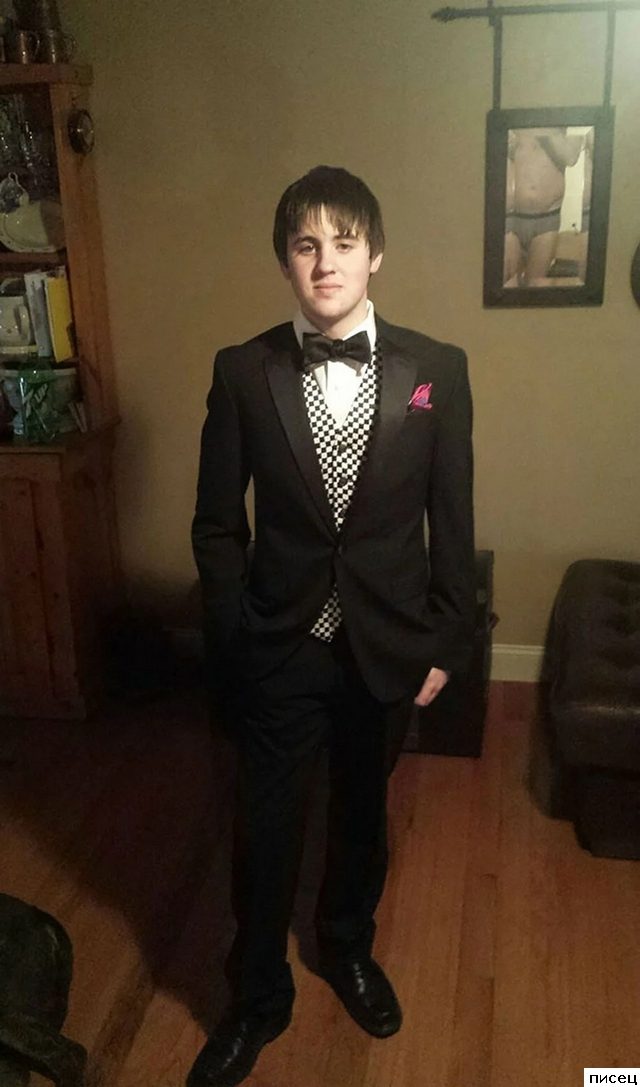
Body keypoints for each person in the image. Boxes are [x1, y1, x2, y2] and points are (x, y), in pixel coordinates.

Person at [189, 165, 475, 1087]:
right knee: (264, 829)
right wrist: (235, 636)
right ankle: (255, 996)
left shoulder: (437, 371)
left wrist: (445, 642)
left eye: (343, 243)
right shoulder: (244, 370)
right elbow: (217, 524)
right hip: (280, 645)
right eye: (306, 244)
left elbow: (452, 520)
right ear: (285, 260)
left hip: (387, 646)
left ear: (374, 253)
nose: (325, 262)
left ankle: (346, 947)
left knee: (360, 814)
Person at [504, 127, 583, 287]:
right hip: (511, 217)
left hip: (547, 218)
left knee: (535, 285)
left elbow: (570, 157)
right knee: (507, 285)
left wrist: (546, 129)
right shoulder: (517, 120)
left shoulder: (566, 123)